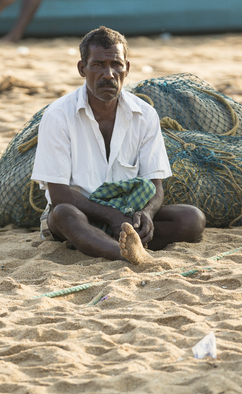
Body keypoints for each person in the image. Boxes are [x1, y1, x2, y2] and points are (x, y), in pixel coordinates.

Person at [31, 26, 206, 265]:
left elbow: (156, 184)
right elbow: (59, 194)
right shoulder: (58, 115)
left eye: (116, 64)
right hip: (80, 213)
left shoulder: (145, 114)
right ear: (82, 69)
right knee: (63, 214)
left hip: (127, 215)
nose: (109, 74)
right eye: (98, 65)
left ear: (127, 68)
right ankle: (124, 252)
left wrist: (146, 214)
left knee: (191, 219)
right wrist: (111, 215)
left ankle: (114, 243)